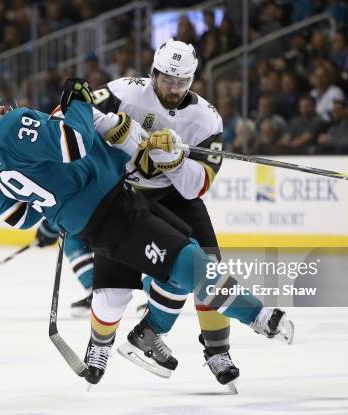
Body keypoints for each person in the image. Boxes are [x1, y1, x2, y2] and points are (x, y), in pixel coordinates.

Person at [0, 78, 294, 388]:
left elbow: (16, 215)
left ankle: (144, 333)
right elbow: (73, 144)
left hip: (107, 207)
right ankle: (258, 317)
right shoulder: (11, 125)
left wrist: (54, 200)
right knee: (190, 265)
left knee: (182, 260)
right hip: (110, 213)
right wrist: (78, 103)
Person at [86, 39, 242, 388]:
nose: (173, 88)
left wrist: (173, 161)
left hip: (175, 197)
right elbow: (76, 112)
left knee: (210, 269)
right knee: (113, 290)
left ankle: (217, 351)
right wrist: (107, 125)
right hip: (124, 196)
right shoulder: (124, 91)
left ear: (192, 80)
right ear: (153, 72)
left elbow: (195, 187)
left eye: (181, 82)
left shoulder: (206, 119)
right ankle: (99, 345)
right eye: (166, 79)